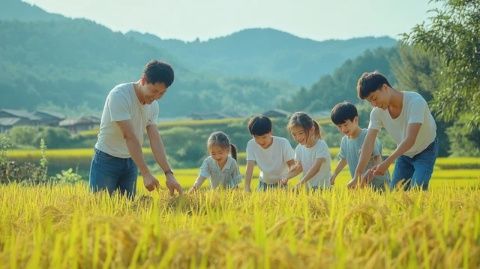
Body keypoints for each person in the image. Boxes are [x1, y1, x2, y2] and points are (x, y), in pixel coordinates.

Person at [89, 60, 183, 198]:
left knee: (128, 210)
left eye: (162, 93)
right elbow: (129, 136)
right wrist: (145, 173)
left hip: (131, 161)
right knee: (100, 208)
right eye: (154, 91)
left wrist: (169, 174)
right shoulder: (120, 95)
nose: (156, 97)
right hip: (107, 160)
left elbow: (155, 138)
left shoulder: (153, 105)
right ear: (143, 80)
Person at [352, 71, 438, 190]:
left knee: (418, 190)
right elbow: (368, 143)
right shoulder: (377, 112)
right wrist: (357, 175)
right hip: (404, 154)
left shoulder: (415, 102)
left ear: (385, 88)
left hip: (425, 151)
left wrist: (386, 163)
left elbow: (410, 139)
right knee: (395, 195)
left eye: (374, 98)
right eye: (370, 101)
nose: (374, 104)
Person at [329, 102, 389, 191]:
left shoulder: (368, 136)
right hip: (361, 186)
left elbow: (377, 159)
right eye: (339, 126)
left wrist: (371, 175)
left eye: (345, 125)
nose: (343, 129)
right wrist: (334, 175)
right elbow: (343, 160)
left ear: (355, 120)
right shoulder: (345, 141)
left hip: (379, 184)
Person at [244, 115, 295, 192]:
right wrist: (247, 187)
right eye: (257, 138)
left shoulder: (283, 143)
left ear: (271, 132)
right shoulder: (251, 144)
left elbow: (292, 165)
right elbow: (249, 168)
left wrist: (286, 177)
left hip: (282, 183)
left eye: (264, 137)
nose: (261, 141)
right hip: (263, 184)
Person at [282, 112, 331, 190]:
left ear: (311, 129)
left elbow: (316, 168)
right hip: (308, 189)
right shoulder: (299, 148)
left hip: (323, 188)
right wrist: (286, 177)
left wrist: (300, 183)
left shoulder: (321, 145)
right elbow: (299, 167)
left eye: (301, 133)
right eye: (294, 134)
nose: (298, 137)